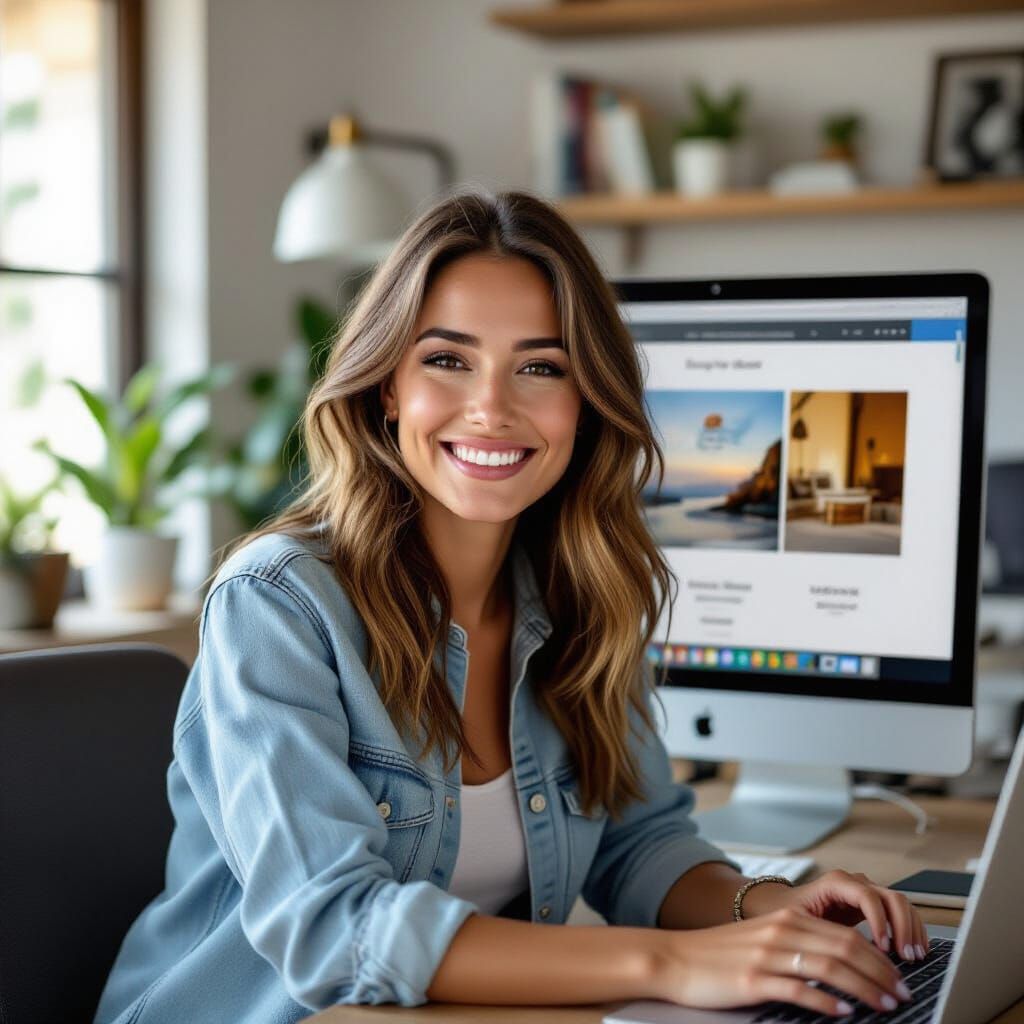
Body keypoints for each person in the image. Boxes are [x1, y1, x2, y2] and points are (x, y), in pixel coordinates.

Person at [94, 189, 926, 1024]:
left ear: (584, 400)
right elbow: (335, 929)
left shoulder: (583, 597)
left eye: (540, 367)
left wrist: (767, 908)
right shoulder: (277, 606)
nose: (492, 407)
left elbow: (640, 843)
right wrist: (675, 963)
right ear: (388, 387)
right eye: (447, 360)